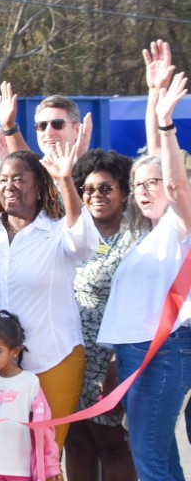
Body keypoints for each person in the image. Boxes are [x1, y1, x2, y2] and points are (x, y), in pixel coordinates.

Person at [0, 147, 99, 455]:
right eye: (4, 180)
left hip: (53, 359)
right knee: (3, 457)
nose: (10, 186)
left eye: (19, 179)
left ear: (40, 185)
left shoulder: (57, 232)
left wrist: (65, 181)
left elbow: (85, 243)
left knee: (44, 457)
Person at [97, 71, 191, 480]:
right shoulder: (148, 234)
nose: (144, 190)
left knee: (150, 461)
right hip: (139, 352)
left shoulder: (180, 225)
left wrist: (166, 123)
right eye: (137, 185)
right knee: (160, 458)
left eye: (153, 183)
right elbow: (154, 163)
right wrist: (153, 95)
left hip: (163, 351)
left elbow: (173, 181)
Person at [63, 149, 137, 481]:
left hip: (111, 361)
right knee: (76, 443)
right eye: (89, 188)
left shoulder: (135, 239)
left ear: (124, 192)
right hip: (70, 356)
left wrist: (116, 364)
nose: (96, 195)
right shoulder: (73, 233)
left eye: (106, 188)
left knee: (112, 445)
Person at [0, 310, 62, 481]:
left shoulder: (30, 382)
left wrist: (51, 465)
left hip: (22, 470)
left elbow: (45, 428)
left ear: (15, 351)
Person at [0, 83, 92, 160]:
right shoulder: (32, 173)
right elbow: (30, 167)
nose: (48, 132)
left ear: (77, 130)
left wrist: (79, 161)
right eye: (42, 126)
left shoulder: (94, 172)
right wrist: (9, 126)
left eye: (57, 124)